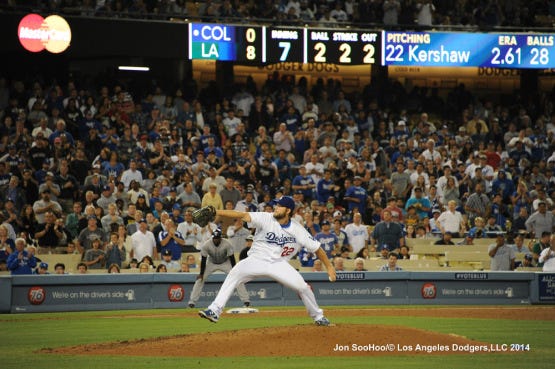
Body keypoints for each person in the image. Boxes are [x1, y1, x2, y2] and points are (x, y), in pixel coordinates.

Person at [198, 196, 336, 325]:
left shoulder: (298, 229)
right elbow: (241, 215)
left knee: (303, 288)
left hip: (279, 264)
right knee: (234, 274)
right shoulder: (265, 218)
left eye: (280, 206)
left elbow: (317, 248)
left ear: (288, 210)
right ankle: (214, 310)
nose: (276, 207)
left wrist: (329, 267)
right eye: (276, 205)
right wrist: (216, 212)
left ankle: (318, 317)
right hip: (256, 259)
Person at [188, 228, 250, 309]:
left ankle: (246, 301)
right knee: (200, 279)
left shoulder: (227, 243)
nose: (216, 240)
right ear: (212, 237)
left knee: (236, 278)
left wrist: (235, 271)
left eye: (217, 238)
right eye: (214, 238)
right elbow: (203, 260)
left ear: (221, 238)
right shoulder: (206, 245)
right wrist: (201, 274)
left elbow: (232, 259)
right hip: (211, 263)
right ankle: (192, 302)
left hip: (225, 262)